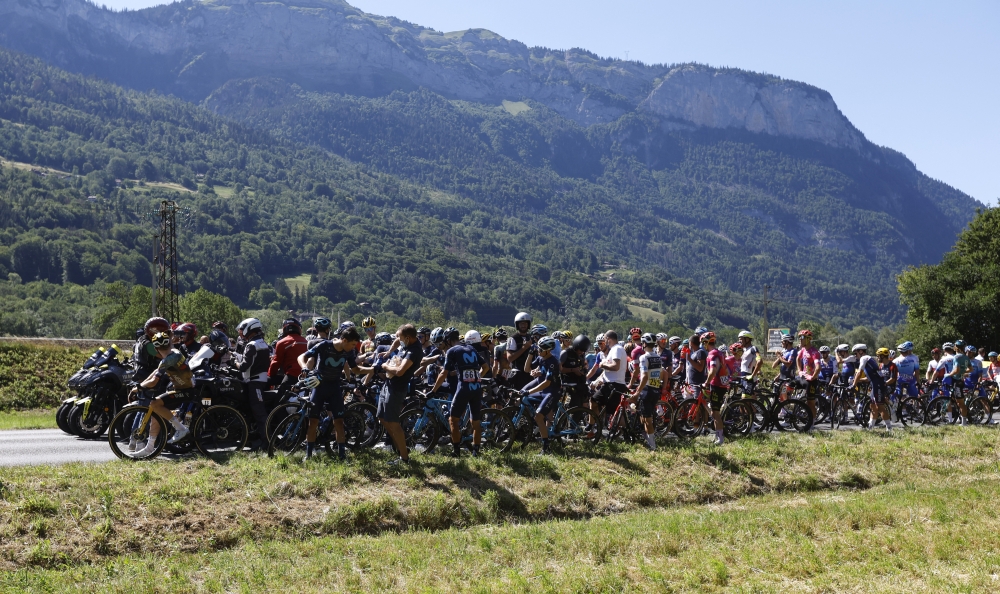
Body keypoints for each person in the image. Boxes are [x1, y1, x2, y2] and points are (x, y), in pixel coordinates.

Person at [296, 325, 374, 460]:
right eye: (352, 344)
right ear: (344, 340)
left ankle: (342, 456)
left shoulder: (349, 352)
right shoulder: (324, 345)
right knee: (313, 422)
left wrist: (372, 369)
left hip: (334, 388)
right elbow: (301, 356)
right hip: (319, 387)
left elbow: (355, 369)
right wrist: (304, 368)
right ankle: (308, 455)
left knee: (339, 422)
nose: (353, 348)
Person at [132, 332, 196, 457]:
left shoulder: (166, 361)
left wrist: (138, 388)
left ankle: (181, 429)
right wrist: (141, 385)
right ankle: (149, 448)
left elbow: (154, 381)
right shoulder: (174, 353)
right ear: (170, 343)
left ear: (155, 349)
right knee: (156, 410)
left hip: (186, 391)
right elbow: (156, 372)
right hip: (184, 387)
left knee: (155, 403)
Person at [433, 329, 489, 457]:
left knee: (453, 420)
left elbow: (444, 373)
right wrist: (477, 377)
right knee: (475, 422)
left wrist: (433, 390)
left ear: (447, 340)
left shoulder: (451, 351)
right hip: (477, 387)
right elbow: (486, 367)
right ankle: (475, 452)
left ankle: (456, 451)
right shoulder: (471, 348)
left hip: (463, 387)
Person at [378, 324, 423, 465]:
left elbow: (399, 371)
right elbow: (397, 340)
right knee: (382, 418)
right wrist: (388, 352)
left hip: (397, 388)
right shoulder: (407, 340)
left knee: (393, 421)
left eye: (400, 337)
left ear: (408, 338)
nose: (398, 339)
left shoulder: (413, 351)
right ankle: (400, 448)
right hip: (389, 385)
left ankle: (404, 458)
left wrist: (385, 366)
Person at [518, 336, 561, 455]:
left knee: (538, 417)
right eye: (538, 349)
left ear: (548, 350)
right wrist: (530, 353)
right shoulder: (542, 358)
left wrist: (530, 391)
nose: (538, 351)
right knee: (524, 399)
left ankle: (546, 448)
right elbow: (527, 369)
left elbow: (547, 382)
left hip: (552, 391)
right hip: (544, 391)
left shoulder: (553, 362)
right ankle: (542, 430)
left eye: (540, 349)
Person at [236, 318, 271, 449]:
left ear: (249, 328)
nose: (241, 331)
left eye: (243, 328)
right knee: (254, 411)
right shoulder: (262, 343)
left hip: (254, 382)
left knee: (259, 412)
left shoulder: (252, 345)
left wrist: (234, 363)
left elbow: (245, 366)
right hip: (260, 380)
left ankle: (266, 442)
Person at [631, 333, 662, 450]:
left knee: (647, 420)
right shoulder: (658, 357)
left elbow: (644, 377)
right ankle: (647, 438)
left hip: (647, 390)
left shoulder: (643, 357)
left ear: (644, 344)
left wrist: (637, 392)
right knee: (644, 416)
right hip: (655, 389)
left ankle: (653, 446)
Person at [849, 344, 892, 431]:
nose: (855, 355)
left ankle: (889, 428)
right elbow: (868, 378)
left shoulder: (864, 358)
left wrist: (854, 385)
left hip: (879, 385)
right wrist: (857, 380)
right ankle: (870, 427)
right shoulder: (869, 360)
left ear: (861, 351)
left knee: (880, 407)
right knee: (873, 406)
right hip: (875, 384)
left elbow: (859, 372)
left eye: (856, 353)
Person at [700, 332, 729, 445]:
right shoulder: (719, 353)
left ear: (706, 342)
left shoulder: (712, 354)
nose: (703, 345)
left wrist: (706, 383)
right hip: (721, 384)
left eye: (703, 343)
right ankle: (718, 435)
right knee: (714, 411)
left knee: (715, 413)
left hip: (716, 385)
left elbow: (712, 371)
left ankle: (720, 439)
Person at [268, 318, 308, 399]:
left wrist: (270, 375)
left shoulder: (282, 343)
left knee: (280, 401)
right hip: (306, 376)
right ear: (298, 329)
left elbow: (275, 363)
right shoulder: (306, 341)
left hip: (291, 375)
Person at [794, 329, 820, 420]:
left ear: (808, 339)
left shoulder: (814, 352)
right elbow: (797, 359)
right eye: (799, 337)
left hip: (811, 381)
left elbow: (818, 367)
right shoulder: (803, 350)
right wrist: (799, 370)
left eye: (802, 337)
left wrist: (813, 376)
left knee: (810, 403)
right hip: (803, 377)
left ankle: (812, 422)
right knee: (786, 385)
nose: (800, 339)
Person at [561, 334, 591, 410]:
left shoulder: (582, 355)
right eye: (581, 350)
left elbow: (584, 367)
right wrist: (572, 370)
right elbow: (559, 369)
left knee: (583, 405)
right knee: (574, 407)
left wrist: (583, 370)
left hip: (580, 385)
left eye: (584, 351)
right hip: (568, 385)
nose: (582, 352)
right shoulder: (566, 353)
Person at [505, 312, 535, 389]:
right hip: (518, 373)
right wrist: (524, 348)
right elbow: (510, 358)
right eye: (521, 323)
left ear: (528, 324)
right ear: (517, 325)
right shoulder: (513, 338)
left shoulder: (532, 338)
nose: (523, 325)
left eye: (525, 323)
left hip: (531, 372)